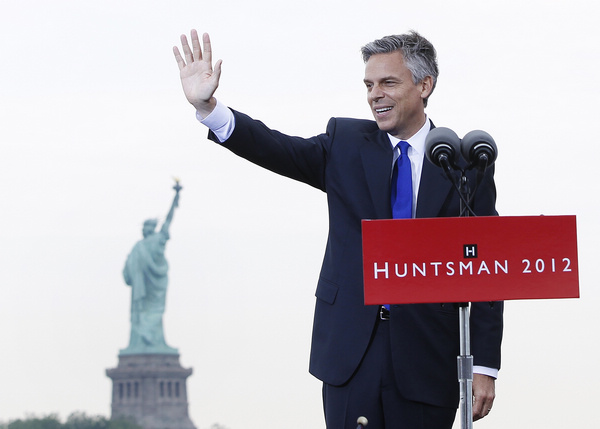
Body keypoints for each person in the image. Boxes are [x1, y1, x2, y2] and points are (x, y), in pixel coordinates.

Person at [173, 30, 503, 428]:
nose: (374, 95)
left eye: (388, 83)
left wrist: (484, 365)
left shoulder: (463, 161)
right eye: (368, 85)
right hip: (351, 354)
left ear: (424, 84)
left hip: (428, 357)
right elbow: (278, 148)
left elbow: (486, 266)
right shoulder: (345, 143)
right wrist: (209, 107)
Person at [121, 182, 182, 355]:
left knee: (154, 313)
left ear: (152, 228)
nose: (144, 229)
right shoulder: (137, 247)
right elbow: (127, 274)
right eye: (143, 227)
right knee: (140, 313)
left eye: (147, 226)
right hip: (141, 288)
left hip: (154, 286)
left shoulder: (157, 240)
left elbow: (169, 220)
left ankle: (152, 342)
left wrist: (176, 197)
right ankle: (140, 343)